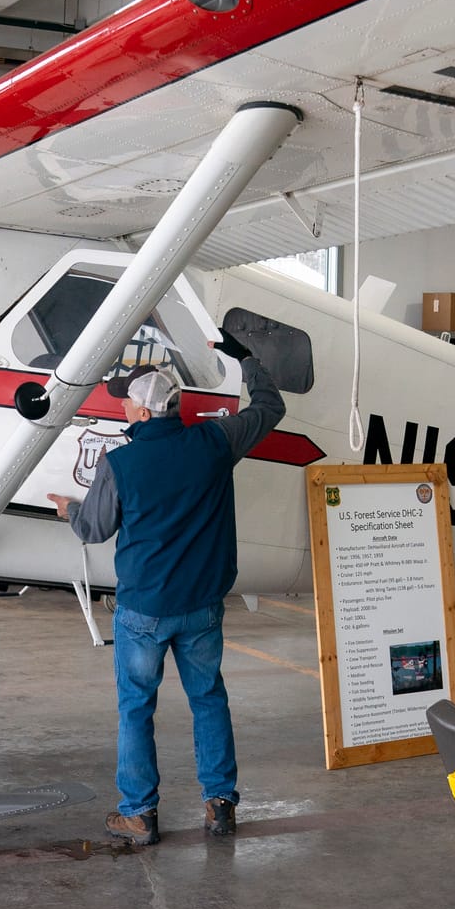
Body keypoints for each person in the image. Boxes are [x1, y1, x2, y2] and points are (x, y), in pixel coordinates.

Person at [48, 331, 283, 845]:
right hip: (201, 606)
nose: (126, 411)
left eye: (129, 404)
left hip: (144, 611)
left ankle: (140, 814)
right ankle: (220, 805)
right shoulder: (217, 443)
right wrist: (243, 358)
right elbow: (271, 406)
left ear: (145, 413)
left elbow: (93, 530)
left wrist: (68, 509)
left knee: (136, 708)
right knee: (208, 699)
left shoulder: (120, 465)